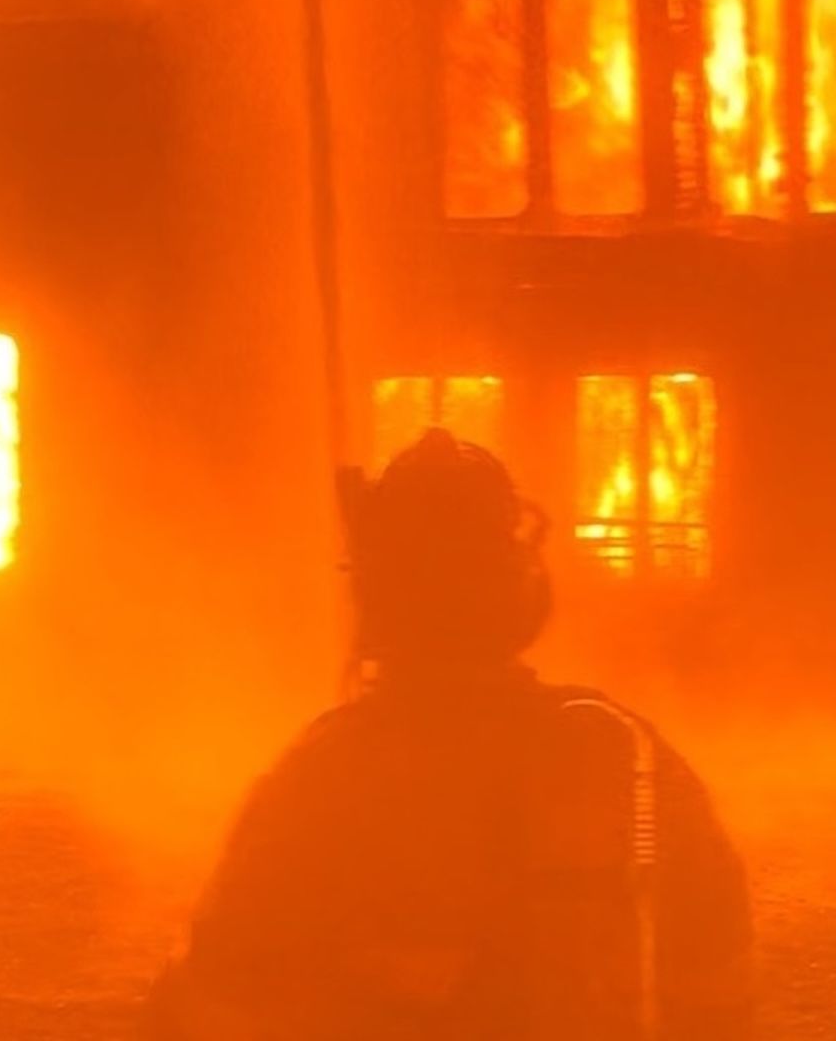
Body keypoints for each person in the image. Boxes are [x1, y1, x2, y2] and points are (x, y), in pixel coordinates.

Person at [143, 430, 753, 1041]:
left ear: (376, 596)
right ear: (520, 582)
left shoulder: (324, 778)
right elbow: (722, 983)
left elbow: (209, 1001)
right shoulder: (620, 751)